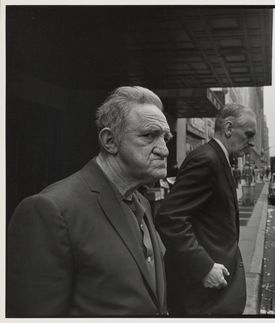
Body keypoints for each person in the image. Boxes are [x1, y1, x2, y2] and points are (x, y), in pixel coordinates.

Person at [6, 86, 171, 317]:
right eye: (149, 136)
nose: (164, 150)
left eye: (166, 137)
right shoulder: (49, 210)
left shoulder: (141, 201)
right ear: (109, 141)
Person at [157, 103, 257, 315]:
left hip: (214, 290)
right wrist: (204, 267)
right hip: (200, 294)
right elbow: (169, 218)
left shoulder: (219, 159)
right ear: (229, 129)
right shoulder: (207, 159)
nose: (252, 142)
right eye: (248, 134)